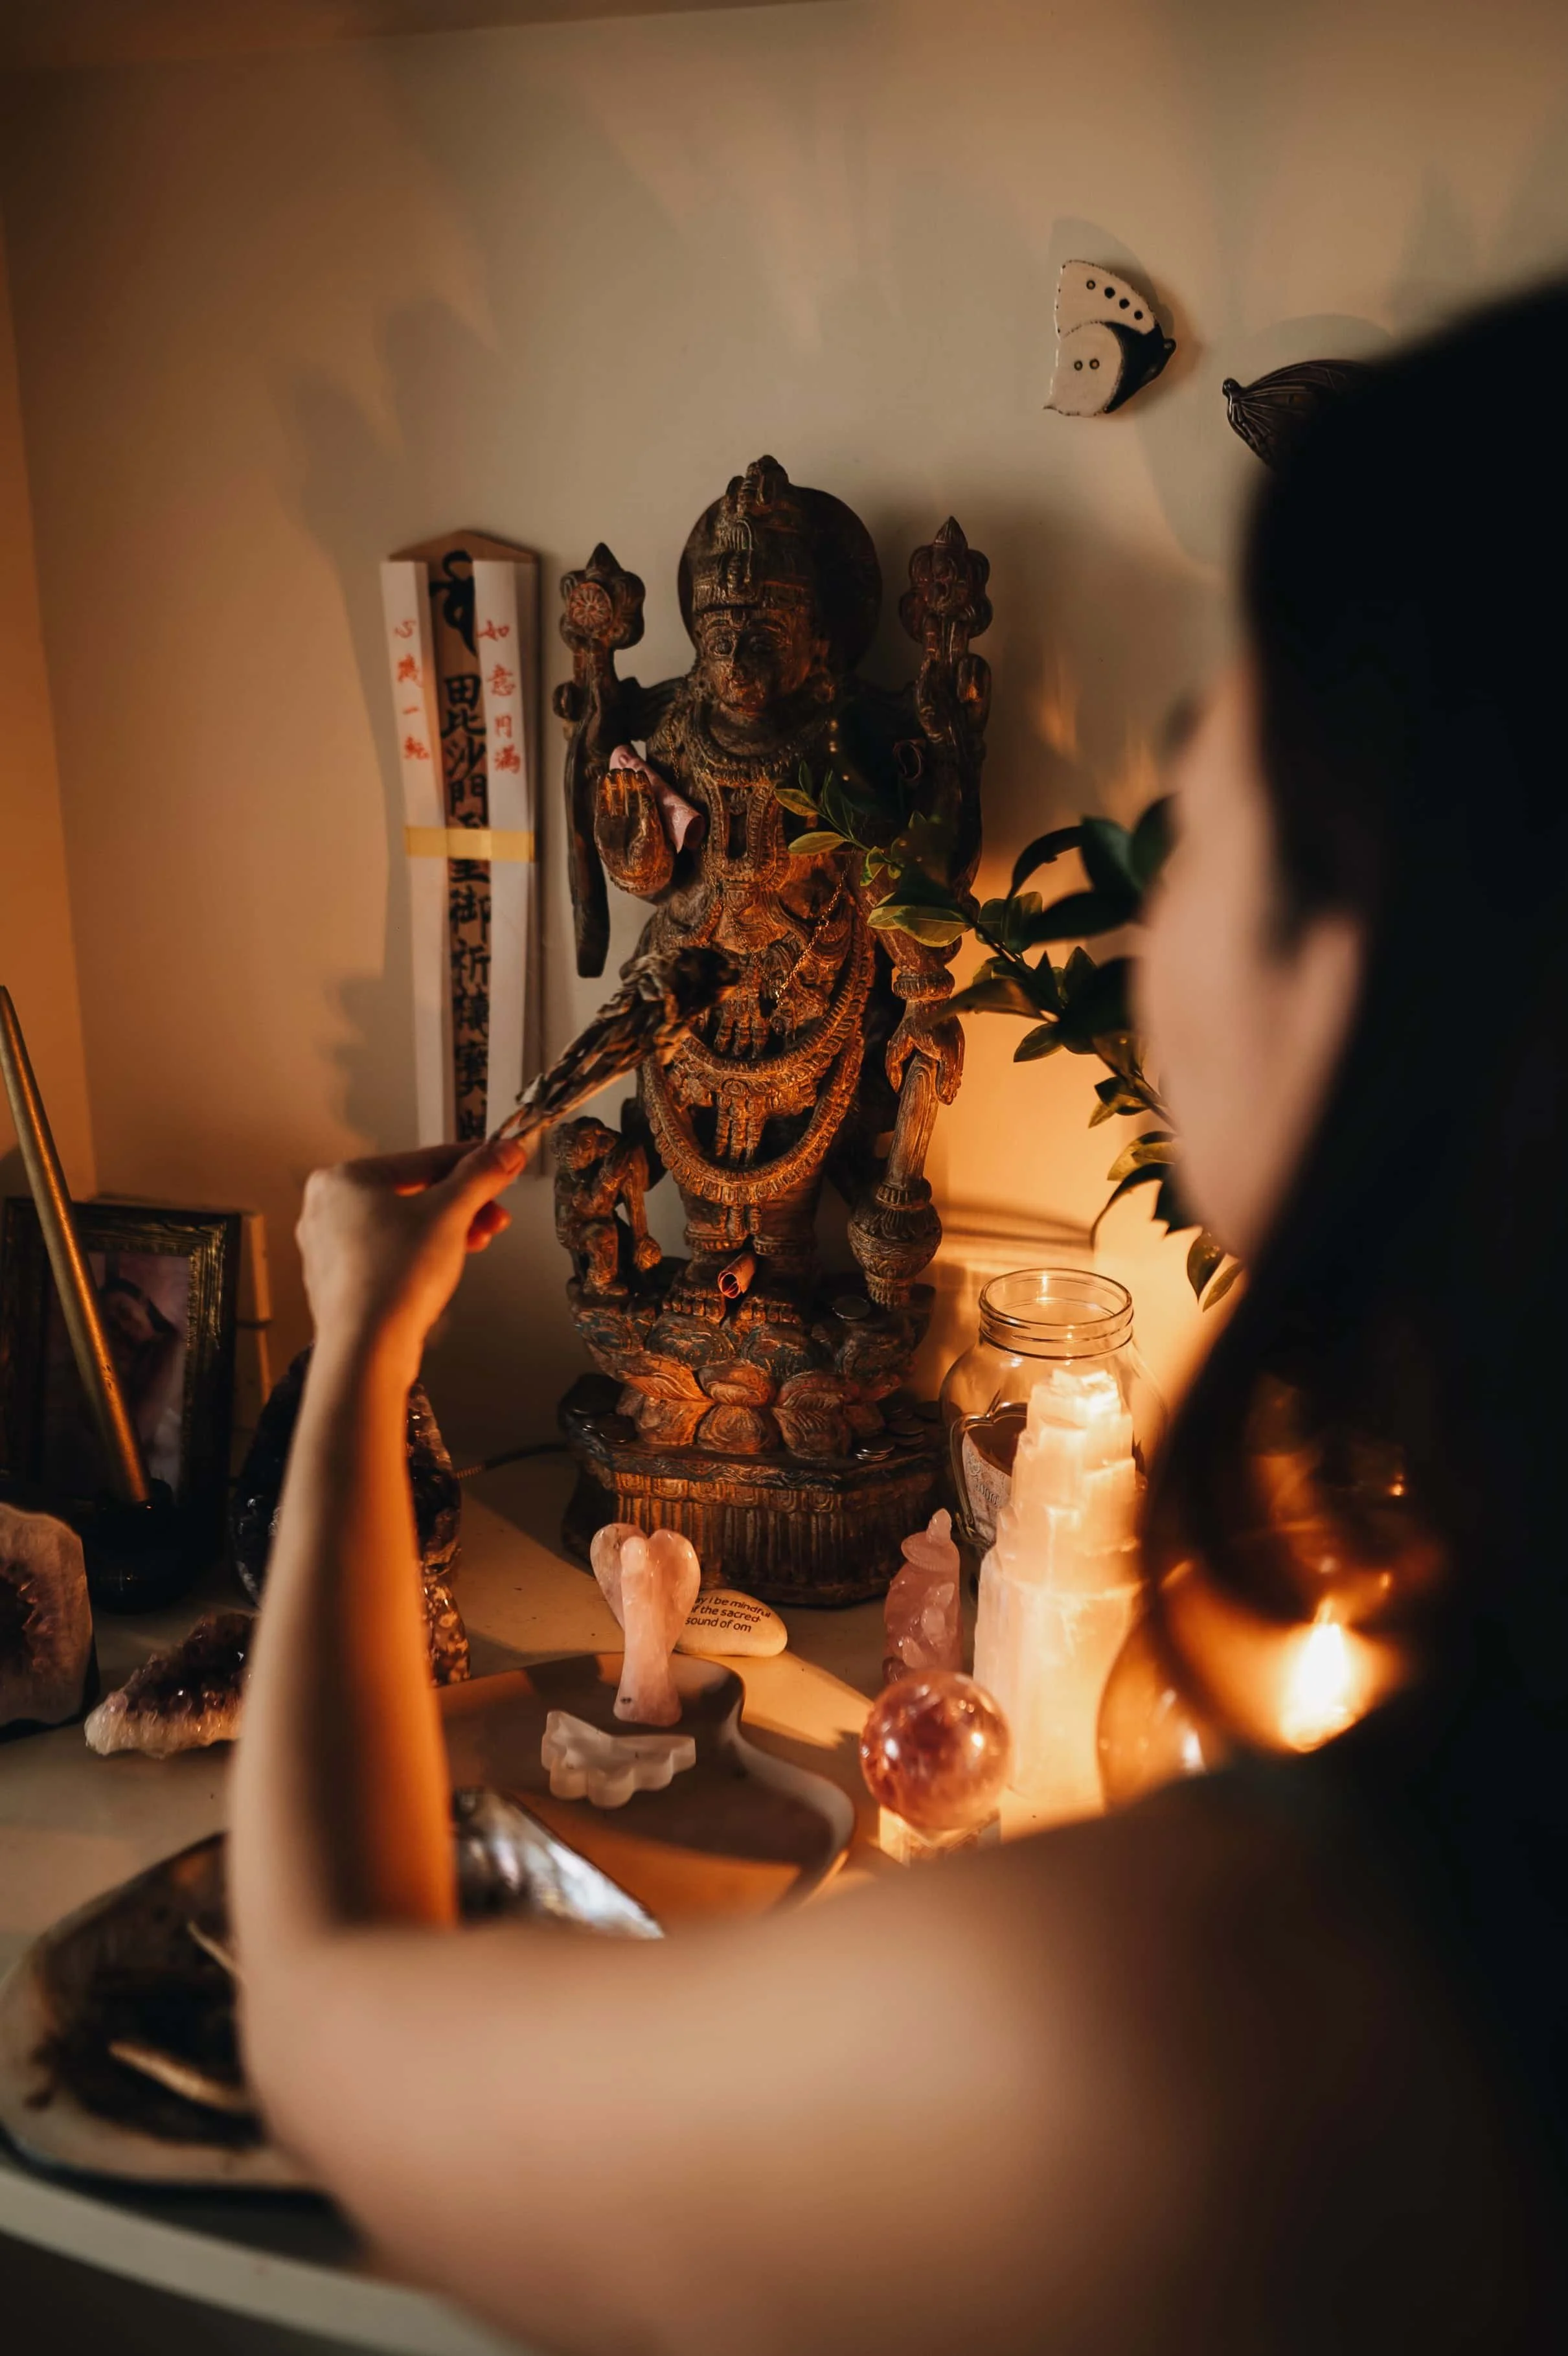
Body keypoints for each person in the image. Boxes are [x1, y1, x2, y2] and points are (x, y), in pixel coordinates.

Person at [231, 284, 1568, 2353]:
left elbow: (336, 2023)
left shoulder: (1194, 2023)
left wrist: (354, 1351)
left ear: (1387, 986)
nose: (1144, 862)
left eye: (1207, 808)